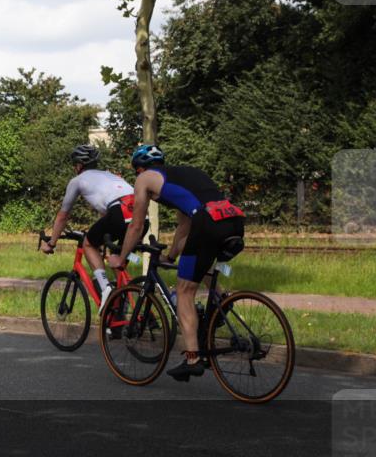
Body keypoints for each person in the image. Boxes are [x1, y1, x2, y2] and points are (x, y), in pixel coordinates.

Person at [109, 145, 245, 381]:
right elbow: (185, 226)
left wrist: (121, 258)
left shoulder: (144, 179)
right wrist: (170, 257)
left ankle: (192, 359)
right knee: (199, 259)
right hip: (233, 220)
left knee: (184, 291)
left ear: (139, 168)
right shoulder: (186, 174)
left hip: (207, 222)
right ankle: (220, 301)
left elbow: (136, 226)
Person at [41, 145, 149, 307]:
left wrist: (51, 243)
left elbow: (63, 216)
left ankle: (106, 289)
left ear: (79, 165)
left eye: (75, 165)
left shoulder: (77, 181)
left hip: (119, 213)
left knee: (89, 244)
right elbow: (107, 213)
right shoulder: (110, 175)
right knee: (117, 259)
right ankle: (123, 303)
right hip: (142, 218)